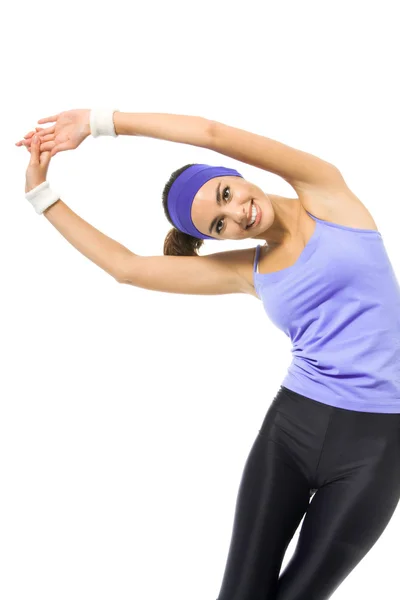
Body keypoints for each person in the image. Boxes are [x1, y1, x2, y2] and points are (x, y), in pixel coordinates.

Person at [16, 109, 400, 600]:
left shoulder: (324, 191)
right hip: (291, 432)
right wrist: (41, 194)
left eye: (225, 195)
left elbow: (211, 134)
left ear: (234, 177)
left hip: (375, 445)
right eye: (219, 225)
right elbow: (127, 268)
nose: (238, 214)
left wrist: (98, 123)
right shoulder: (248, 270)